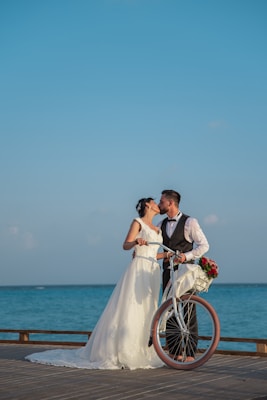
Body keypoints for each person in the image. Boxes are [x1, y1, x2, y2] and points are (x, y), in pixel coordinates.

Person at [25, 197, 166, 370]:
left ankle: (143, 349)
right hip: (138, 269)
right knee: (131, 307)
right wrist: (136, 241)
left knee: (147, 308)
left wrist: (165, 256)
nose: (157, 205)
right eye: (154, 202)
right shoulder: (138, 222)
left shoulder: (157, 228)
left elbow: (153, 254)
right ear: (147, 205)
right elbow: (125, 245)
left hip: (152, 270)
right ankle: (123, 350)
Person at [158, 189, 209, 362]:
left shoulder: (190, 222)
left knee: (189, 310)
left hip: (186, 271)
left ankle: (189, 353)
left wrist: (186, 256)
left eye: (162, 201)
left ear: (170, 203)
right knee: (169, 309)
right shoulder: (161, 224)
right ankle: (174, 351)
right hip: (168, 271)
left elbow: (204, 246)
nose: (160, 204)